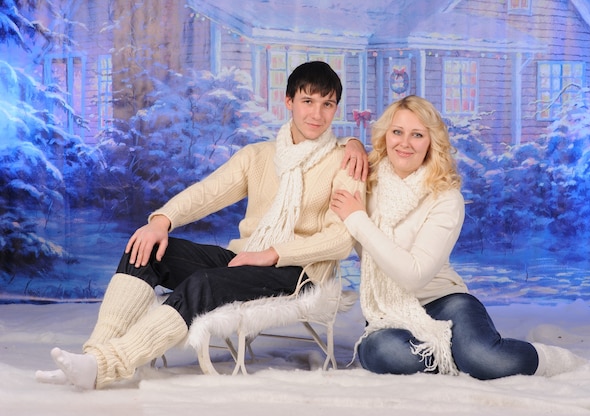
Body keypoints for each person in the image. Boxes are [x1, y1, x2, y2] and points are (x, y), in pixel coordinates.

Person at [36, 61, 368, 389]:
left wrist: (272, 253)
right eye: (308, 101)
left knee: (205, 282)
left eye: (328, 104)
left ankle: (110, 364)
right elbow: (207, 193)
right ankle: (93, 356)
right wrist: (162, 220)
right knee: (145, 250)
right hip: (245, 259)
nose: (317, 114)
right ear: (289, 101)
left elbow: (340, 239)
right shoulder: (259, 156)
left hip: (299, 272)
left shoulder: (344, 161)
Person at [330, 95, 589, 380]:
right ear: (384, 136)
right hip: (387, 311)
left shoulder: (445, 196)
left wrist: (357, 220)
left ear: (431, 142)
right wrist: (350, 142)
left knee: (485, 359)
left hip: (444, 300)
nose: (404, 143)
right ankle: (457, 357)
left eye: (417, 134)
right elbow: (327, 152)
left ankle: (550, 358)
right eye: (397, 132)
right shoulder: (364, 178)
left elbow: (413, 276)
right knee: (383, 352)